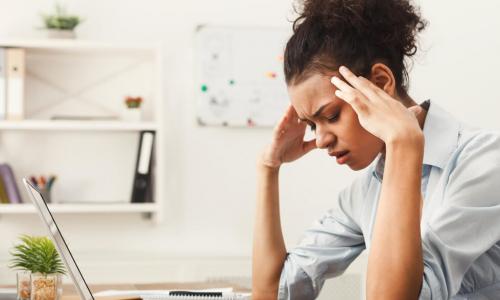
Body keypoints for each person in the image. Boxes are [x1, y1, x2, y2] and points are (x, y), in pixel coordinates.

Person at [252, 0, 500, 299]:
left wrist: (404, 143)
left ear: (381, 82)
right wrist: (269, 167)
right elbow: (272, 293)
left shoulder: (486, 161)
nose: (320, 141)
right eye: (311, 125)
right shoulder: (364, 193)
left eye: (330, 116)